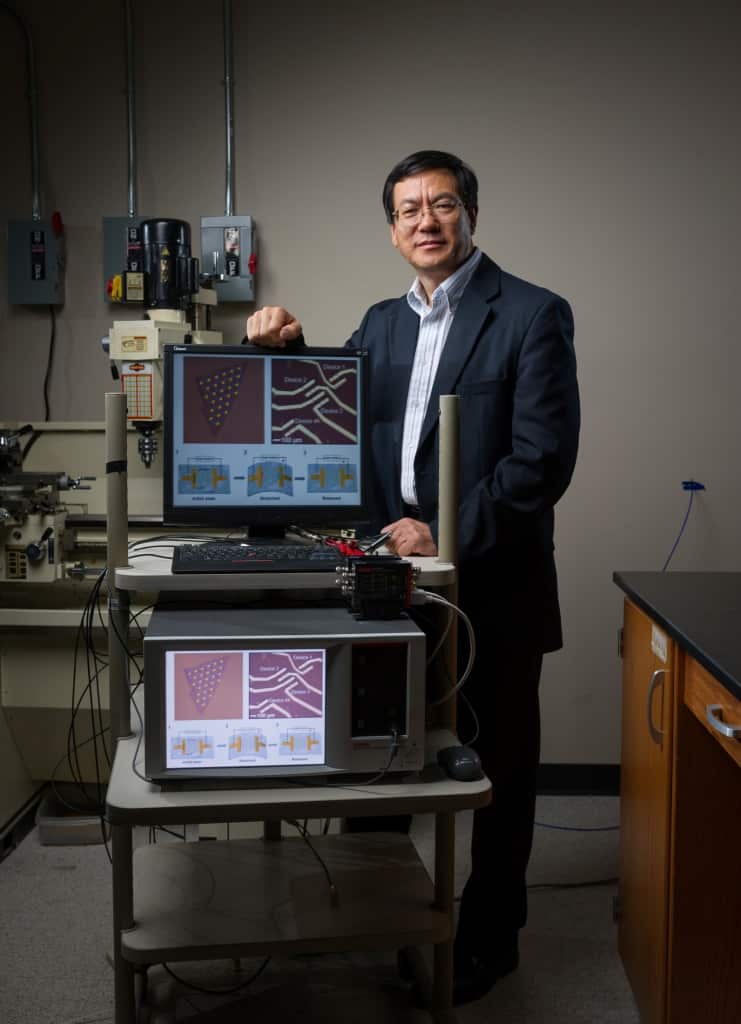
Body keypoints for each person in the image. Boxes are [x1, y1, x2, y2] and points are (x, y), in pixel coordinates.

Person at [246, 150, 580, 1004]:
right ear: (392, 229)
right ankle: (371, 915)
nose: (425, 221)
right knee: (378, 753)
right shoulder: (379, 324)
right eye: (407, 210)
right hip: (389, 580)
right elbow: (336, 408)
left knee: (495, 773)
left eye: (442, 204)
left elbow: (541, 461)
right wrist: (286, 347)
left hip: (494, 585)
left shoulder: (531, 314)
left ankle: (489, 940)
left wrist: (447, 530)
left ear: (470, 214)